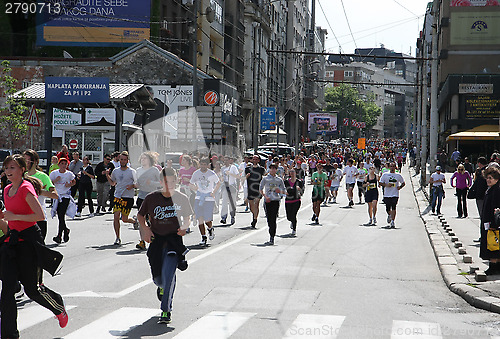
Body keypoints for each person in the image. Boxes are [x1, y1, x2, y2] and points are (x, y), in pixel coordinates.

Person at [0, 155, 68, 339]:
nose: (8, 171)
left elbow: (39, 215)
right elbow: (8, 217)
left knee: (32, 289)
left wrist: (13, 217)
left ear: (22, 169)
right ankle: (9, 335)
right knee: (6, 292)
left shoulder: (25, 188)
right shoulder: (6, 190)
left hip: (30, 241)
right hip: (12, 241)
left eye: (12, 168)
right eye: (6, 168)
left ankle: (57, 306)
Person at [138, 167, 191, 324]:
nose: (170, 185)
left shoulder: (181, 198)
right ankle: (160, 287)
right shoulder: (152, 198)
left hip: (174, 242)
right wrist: (146, 229)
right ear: (161, 182)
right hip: (157, 241)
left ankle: (166, 310)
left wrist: (184, 227)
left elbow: (187, 218)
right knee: (159, 279)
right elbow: (140, 216)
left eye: (173, 182)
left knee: (169, 277)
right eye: (167, 182)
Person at [23, 149, 59, 241]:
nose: (25, 163)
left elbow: (55, 195)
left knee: (38, 250)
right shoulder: (22, 176)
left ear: (35, 162)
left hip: (39, 217)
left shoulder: (43, 176)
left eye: (27, 160)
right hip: (24, 218)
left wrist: (38, 191)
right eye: (23, 160)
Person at [107, 151, 138, 245]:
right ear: (119, 160)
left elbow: (138, 184)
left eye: (125, 160)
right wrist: (107, 175)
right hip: (117, 197)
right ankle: (117, 237)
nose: (123, 161)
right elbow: (112, 183)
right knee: (116, 216)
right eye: (121, 159)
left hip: (128, 197)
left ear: (127, 161)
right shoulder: (116, 171)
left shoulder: (132, 172)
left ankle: (134, 221)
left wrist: (132, 186)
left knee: (124, 219)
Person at [190, 157, 220, 246]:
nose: (203, 166)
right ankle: (203, 237)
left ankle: (210, 229)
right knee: (200, 219)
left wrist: (213, 192)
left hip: (209, 198)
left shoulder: (211, 174)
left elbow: (218, 183)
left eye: (205, 164)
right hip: (199, 197)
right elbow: (191, 183)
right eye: (201, 164)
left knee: (207, 220)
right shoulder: (196, 173)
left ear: (208, 165)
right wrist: (194, 187)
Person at [135, 152, 161, 250]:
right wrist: (136, 185)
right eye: (142, 159)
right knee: (141, 219)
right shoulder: (138, 170)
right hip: (141, 196)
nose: (143, 160)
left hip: (152, 197)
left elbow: (160, 183)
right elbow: (136, 182)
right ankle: (142, 241)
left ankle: (154, 237)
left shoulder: (154, 170)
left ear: (150, 160)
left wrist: (152, 183)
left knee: (152, 219)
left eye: (145, 158)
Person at [478, 166, 500, 275]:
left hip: (492, 223)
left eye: (491, 178)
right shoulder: (490, 189)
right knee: (492, 244)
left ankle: (493, 267)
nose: (488, 180)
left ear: (496, 179)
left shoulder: (496, 190)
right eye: (487, 178)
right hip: (487, 222)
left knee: (493, 245)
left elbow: (495, 208)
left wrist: (493, 223)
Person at [49, 157, 76, 244]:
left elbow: (74, 182)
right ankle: (66, 230)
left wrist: (70, 184)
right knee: (59, 216)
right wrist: (55, 181)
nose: (63, 166)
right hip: (57, 196)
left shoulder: (69, 174)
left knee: (61, 215)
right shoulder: (54, 173)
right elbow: (49, 183)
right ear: (59, 164)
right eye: (62, 164)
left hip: (65, 196)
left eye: (65, 164)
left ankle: (59, 235)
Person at [259, 163, 285, 245]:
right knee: (269, 219)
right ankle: (271, 232)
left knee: (273, 219)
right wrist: (265, 196)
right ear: (269, 169)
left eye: (275, 168)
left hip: (276, 200)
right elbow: (260, 188)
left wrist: (280, 192)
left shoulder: (279, 179)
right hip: (268, 201)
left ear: (276, 170)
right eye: (272, 168)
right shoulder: (265, 178)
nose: (273, 170)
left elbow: (284, 190)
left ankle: (272, 237)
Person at [379, 162, 405, 228]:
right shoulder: (385, 175)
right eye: (391, 166)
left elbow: (403, 183)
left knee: (394, 206)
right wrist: (386, 185)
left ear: (395, 167)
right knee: (387, 208)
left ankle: (393, 221)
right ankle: (390, 215)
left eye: (393, 166)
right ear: (389, 167)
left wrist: (400, 187)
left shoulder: (398, 175)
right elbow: (380, 182)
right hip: (387, 194)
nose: (392, 167)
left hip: (395, 194)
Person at [245, 155, 265, 228]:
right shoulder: (247, 169)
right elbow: (244, 178)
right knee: (251, 207)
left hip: (258, 189)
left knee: (256, 204)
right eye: (253, 159)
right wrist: (246, 176)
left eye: (256, 159)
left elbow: (264, 178)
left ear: (259, 160)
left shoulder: (261, 169)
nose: (255, 160)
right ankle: (254, 215)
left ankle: (255, 219)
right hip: (250, 189)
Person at [284, 168, 304, 236]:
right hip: (288, 200)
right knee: (289, 217)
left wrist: (300, 190)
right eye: (291, 172)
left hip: (296, 200)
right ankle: (292, 222)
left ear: (296, 173)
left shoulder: (299, 181)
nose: (292, 173)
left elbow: (302, 191)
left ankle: (294, 229)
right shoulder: (286, 181)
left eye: (293, 172)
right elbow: (284, 189)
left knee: (293, 214)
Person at [220, 156, 239, 225]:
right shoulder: (222, 168)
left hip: (232, 186)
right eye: (224, 160)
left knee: (232, 202)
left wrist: (230, 173)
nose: (225, 162)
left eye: (226, 160)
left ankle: (232, 216)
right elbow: (222, 177)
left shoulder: (233, 167)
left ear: (229, 160)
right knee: (224, 202)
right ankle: (223, 217)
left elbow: (237, 176)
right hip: (225, 186)